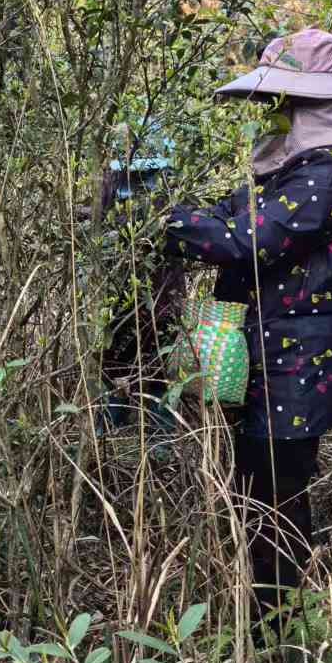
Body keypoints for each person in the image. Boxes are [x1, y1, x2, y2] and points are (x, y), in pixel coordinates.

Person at [163, 29, 332, 635]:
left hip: (301, 362)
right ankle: (265, 629)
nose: (275, 111)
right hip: (263, 352)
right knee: (253, 490)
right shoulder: (297, 167)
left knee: (275, 499)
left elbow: (251, 240)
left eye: (285, 100)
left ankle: (278, 638)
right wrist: (186, 215)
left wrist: (165, 219)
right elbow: (231, 214)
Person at [96, 122, 187, 449]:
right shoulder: (118, 181)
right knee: (121, 373)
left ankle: (154, 449)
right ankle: (108, 444)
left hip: (155, 298)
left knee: (153, 374)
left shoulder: (165, 185)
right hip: (128, 297)